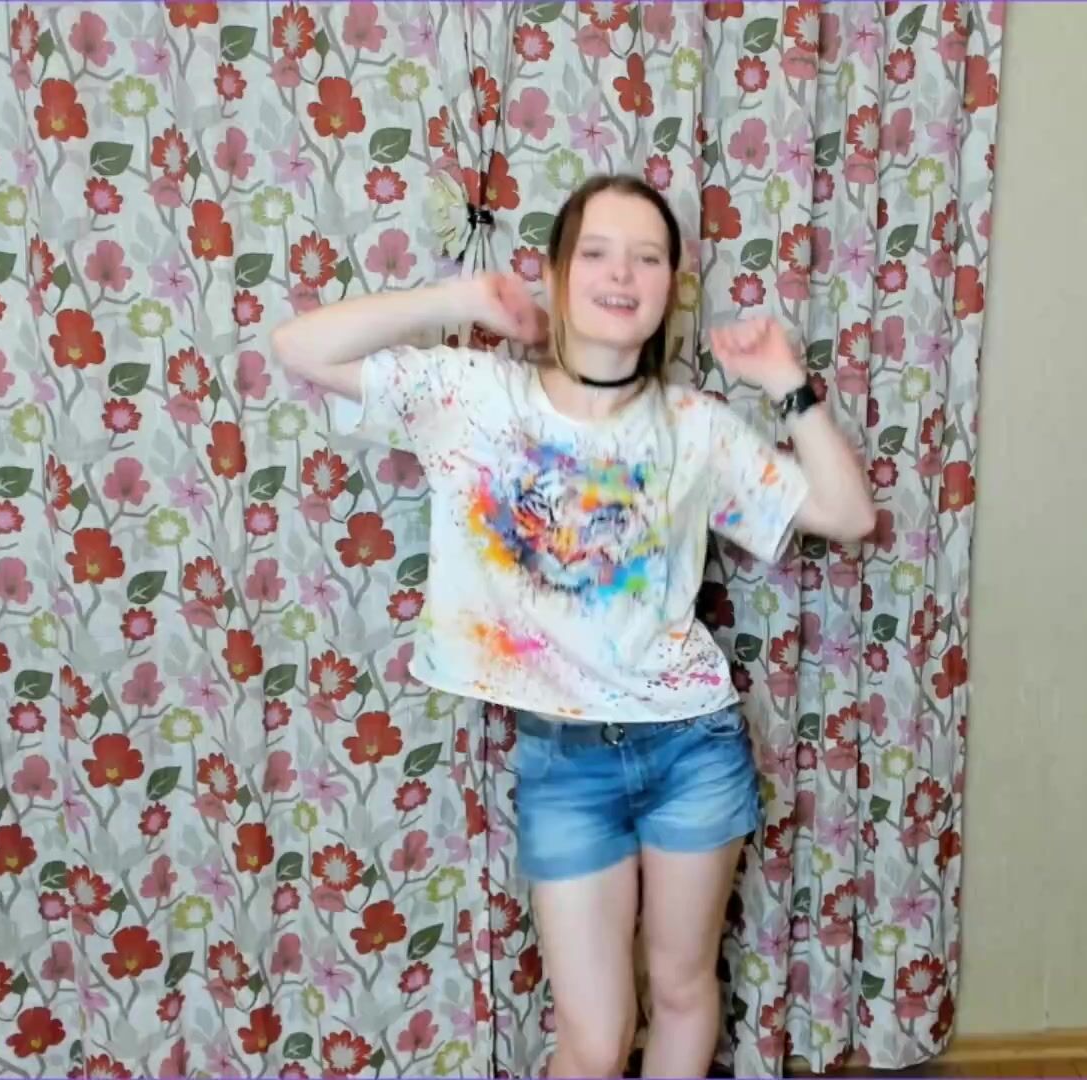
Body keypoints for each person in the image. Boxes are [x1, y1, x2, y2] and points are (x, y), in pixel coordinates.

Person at [272, 174, 875, 1078]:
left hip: (692, 747)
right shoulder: (475, 398)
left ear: (670, 287)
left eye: (647, 257)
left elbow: (849, 514)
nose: (620, 274)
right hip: (564, 763)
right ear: (556, 277)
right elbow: (299, 345)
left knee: (681, 990)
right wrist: (461, 299)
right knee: (592, 1039)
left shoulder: (694, 427)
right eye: (596, 253)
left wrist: (788, 381)